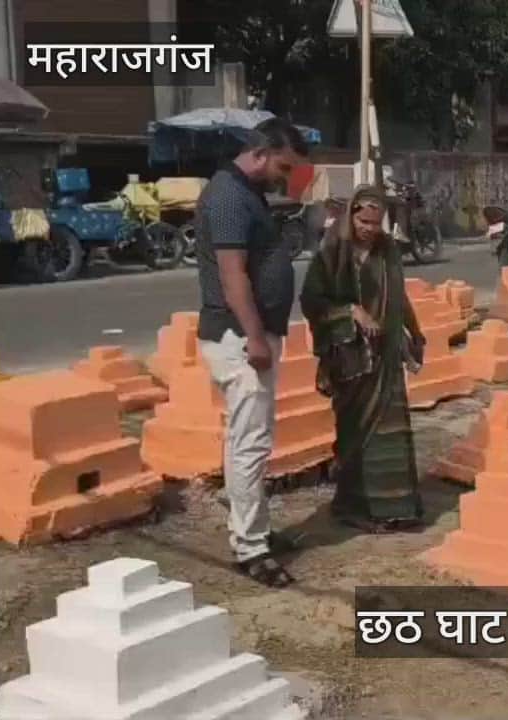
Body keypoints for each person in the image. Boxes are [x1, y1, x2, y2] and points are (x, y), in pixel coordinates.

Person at [195, 118, 309, 587]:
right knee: (250, 445)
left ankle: (252, 529)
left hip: (247, 335)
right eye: (283, 166)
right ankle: (251, 548)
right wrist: (256, 337)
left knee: (248, 441)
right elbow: (232, 274)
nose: (285, 177)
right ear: (260, 153)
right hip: (239, 337)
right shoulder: (227, 196)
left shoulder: (246, 192)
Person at [300, 185, 426, 534]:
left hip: (385, 356)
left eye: (375, 222)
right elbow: (311, 300)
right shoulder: (333, 250)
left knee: (390, 433)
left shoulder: (388, 250)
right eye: (363, 221)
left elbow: (398, 296)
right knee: (354, 431)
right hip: (350, 357)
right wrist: (351, 311)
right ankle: (354, 507)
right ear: (351, 215)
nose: (369, 228)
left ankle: (396, 507)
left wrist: (415, 333)